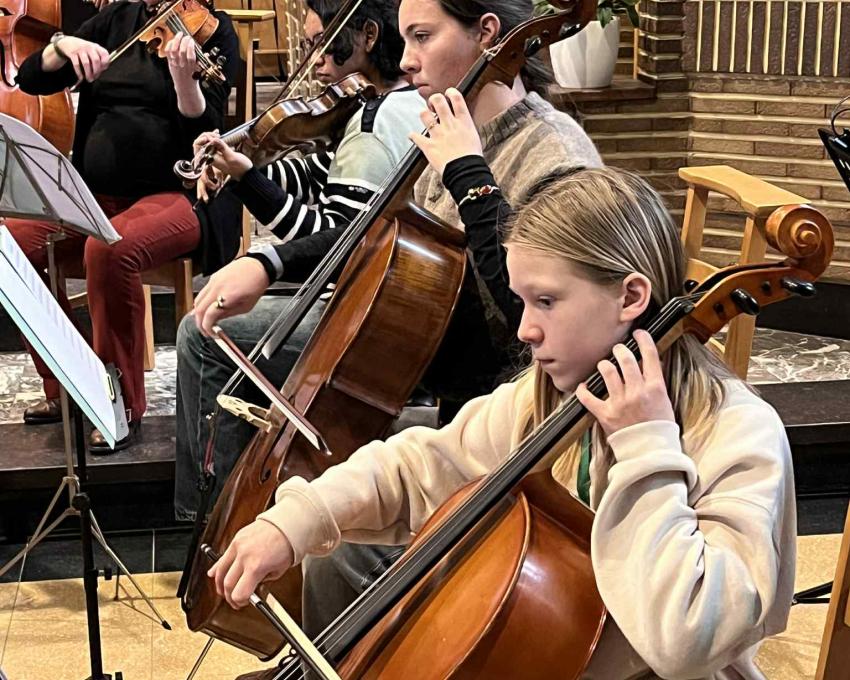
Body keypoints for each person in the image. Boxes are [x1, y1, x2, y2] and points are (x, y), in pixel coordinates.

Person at [210, 165, 796, 679]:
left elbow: (687, 639)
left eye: (547, 301)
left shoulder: (737, 433)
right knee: (341, 559)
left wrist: (646, 447)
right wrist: (299, 519)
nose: (524, 330)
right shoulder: (545, 399)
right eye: (522, 301)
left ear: (630, 297)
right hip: (552, 658)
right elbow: (418, 465)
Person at [183, 0, 602, 648]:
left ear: (488, 34)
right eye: (405, 38)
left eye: (423, 37)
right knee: (330, 498)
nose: (406, 61)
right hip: (444, 387)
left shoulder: (552, 152)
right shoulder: (450, 132)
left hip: (514, 415)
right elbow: (379, 231)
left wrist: (467, 171)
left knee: (342, 542)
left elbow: (532, 317)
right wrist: (269, 262)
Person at [173, 0, 425, 521]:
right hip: (371, 299)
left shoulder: (376, 123)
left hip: (366, 320)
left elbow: (331, 246)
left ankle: (210, 519)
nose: (315, 61)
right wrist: (241, 169)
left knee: (201, 333)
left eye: (321, 44)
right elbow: (315, 177)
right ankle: (245, 495)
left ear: (368, 36)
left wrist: (262, 243)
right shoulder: (382, 105)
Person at [6, 0, 241, 452]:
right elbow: (32, 78)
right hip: (93, 196)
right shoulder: (117, 20)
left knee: (109, 248)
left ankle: (118, 404)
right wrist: (61, 46)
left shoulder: (214, 32)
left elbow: (208, 130)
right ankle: (67, 382)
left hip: (178, 194)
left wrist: (184, 81)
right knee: (10, 242)